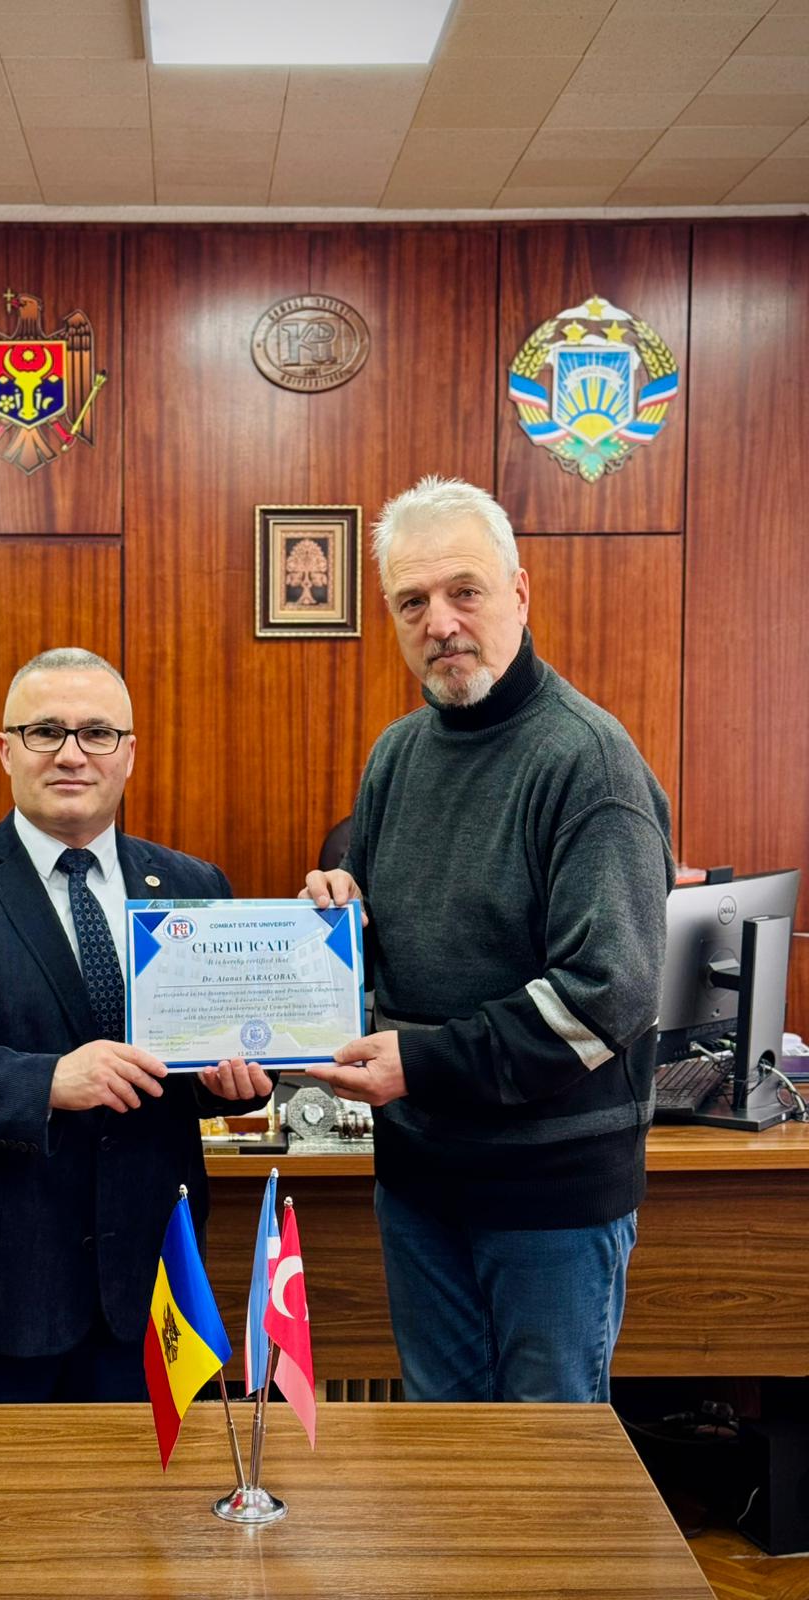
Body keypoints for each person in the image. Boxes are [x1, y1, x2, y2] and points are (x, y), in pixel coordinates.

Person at [303, 476, 674, 1404]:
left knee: (548, 1457)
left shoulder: (588, 760)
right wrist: (336, 923)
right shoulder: (396, 755)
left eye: (464, 591)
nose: (440, 623)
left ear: (519, 593)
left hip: (550, 1196)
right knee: (443, 1449)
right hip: (419, 1180)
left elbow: (605, 997)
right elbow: (395, 948)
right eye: (412, 602)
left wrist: (420, 1065)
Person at [0, 647, 272, 1420]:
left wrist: (230, 1084)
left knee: (150, 1498)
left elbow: (190, 1068)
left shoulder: (192, 886)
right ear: (6, 750)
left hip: (150, 1290)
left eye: (97, 733)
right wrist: (44, 1082)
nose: (72, 753)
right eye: (46, 731)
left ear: (128, 754)